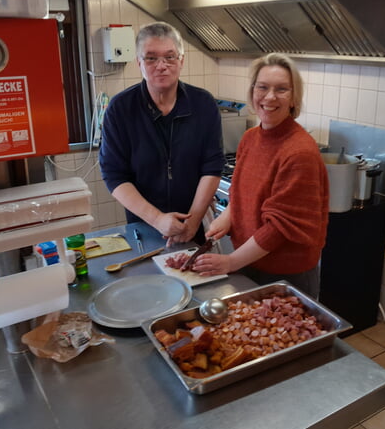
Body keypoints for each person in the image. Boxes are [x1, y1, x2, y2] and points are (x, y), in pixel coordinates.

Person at [193, 53, 329, 299]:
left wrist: (231, 261)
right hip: (250, 261)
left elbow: (279, 227)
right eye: (262, 87)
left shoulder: (300, 152)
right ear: (252, 91)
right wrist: (228, 217)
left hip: (286, 276)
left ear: (294, 98)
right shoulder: (250, 139)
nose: (269, 97)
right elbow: (242, 193)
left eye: (281, 89)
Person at [99, 22, 224, 245]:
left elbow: (212, 166)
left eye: (170, 57)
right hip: (143, 227)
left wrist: (193, 222)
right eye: (151, 58)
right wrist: (157, 219)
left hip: (194, 224)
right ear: (139, 62)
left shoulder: (203, 104)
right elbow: (114, 175)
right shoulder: (120, 109)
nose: (161, 65)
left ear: (181, 61)